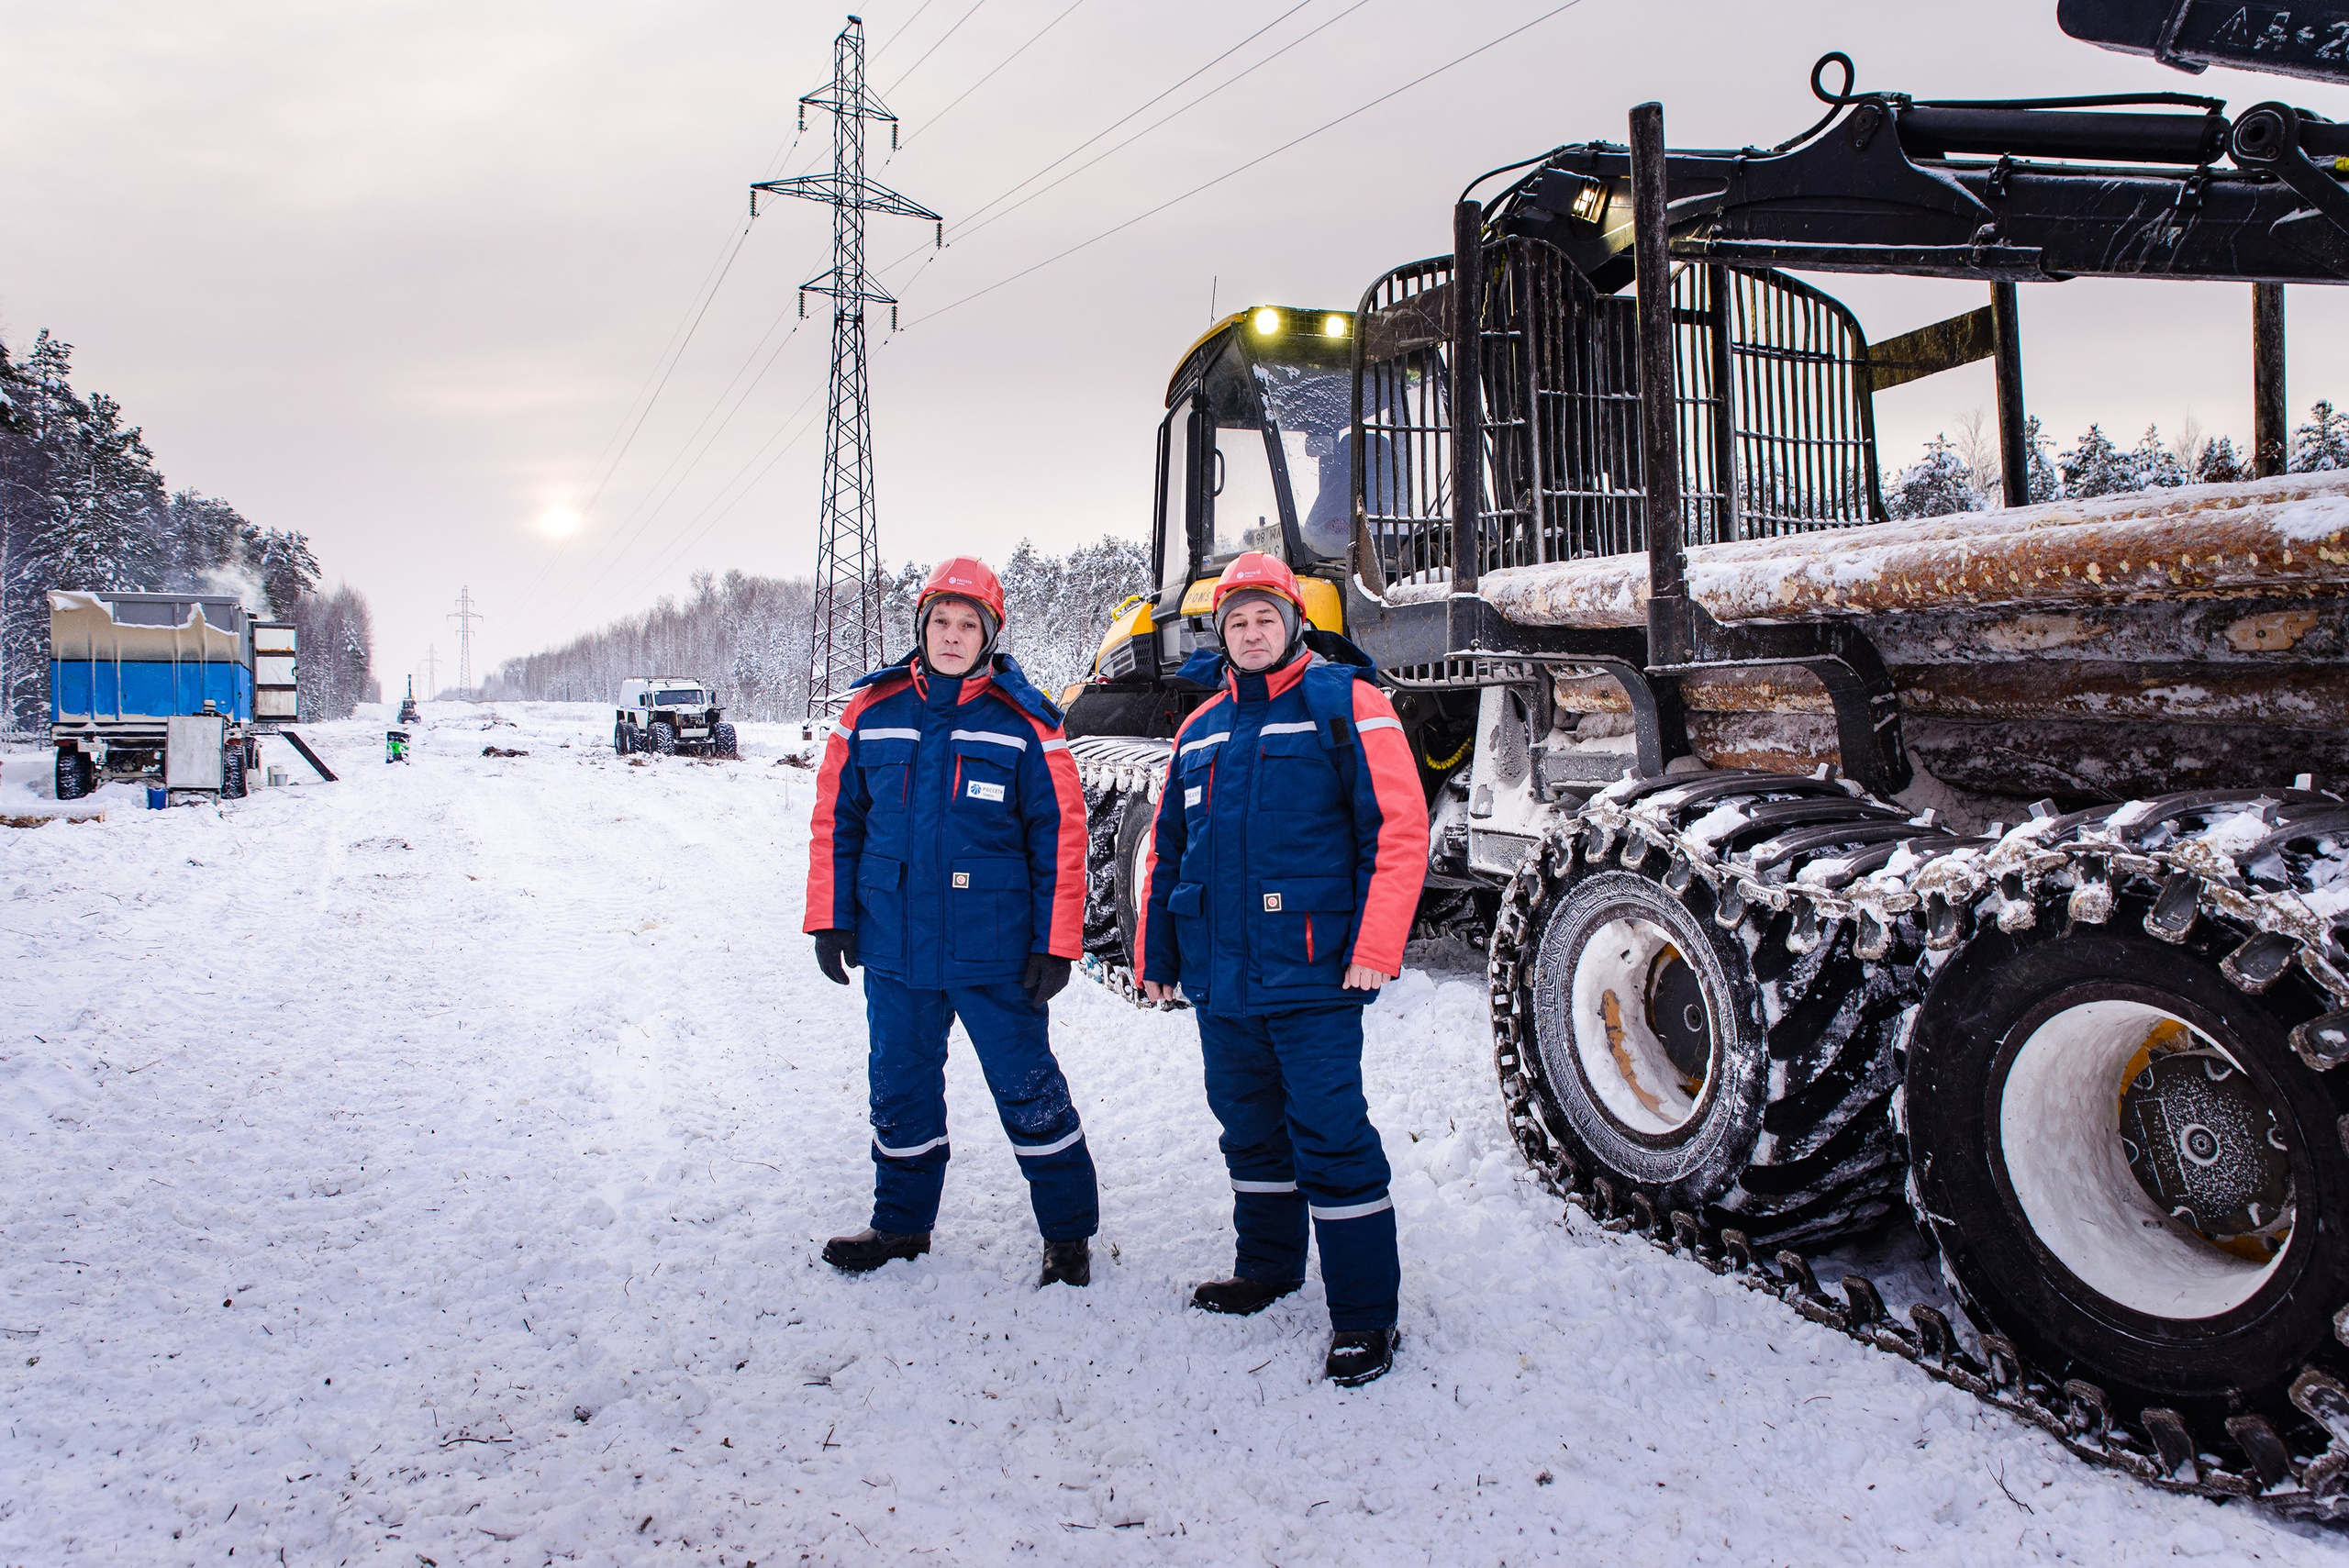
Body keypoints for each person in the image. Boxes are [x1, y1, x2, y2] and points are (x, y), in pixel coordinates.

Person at [1135, 551, 1428, 1385]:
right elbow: (1171, 854)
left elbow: (1398, 832)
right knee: (1249, 1127)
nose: (1252, 632)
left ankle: (1366, 1315)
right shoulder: (1200, 729)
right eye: (1238, 621)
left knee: (1331, 1136)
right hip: (1223, 982)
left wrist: (1376, 946)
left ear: (1296, 623)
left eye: (1267, 617)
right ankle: (1267, 1268)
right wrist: (1158, 953)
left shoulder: (1345, 702)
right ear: (1221, 633)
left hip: (1314, 976)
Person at [805, 556, 1099, 1286]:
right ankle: (901, 1225)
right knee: (899, 1086)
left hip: (994, 953)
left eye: (969, 624)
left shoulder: (1025, 722)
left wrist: (1057, 943)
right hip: (896, 945)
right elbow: (836, 821)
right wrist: (830, 918)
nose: (953, 635)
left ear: (991, 635)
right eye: (941, 621)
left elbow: (1061, 833)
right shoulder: (869, 713)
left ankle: (1068, 1238)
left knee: (1030, 1091)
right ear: (921, 626)